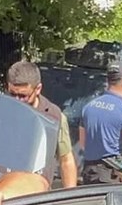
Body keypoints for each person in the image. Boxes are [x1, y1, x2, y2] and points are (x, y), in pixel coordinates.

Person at [6, 60, 78, 188]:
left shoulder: (54, 116)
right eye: (12, 94)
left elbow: (66, 159)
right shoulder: (0, 111)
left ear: (38, 89)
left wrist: (71, 200)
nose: (17, 101)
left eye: (23, 96)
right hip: (3, 194)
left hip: (37, 197)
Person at [79, 61, 122, 184]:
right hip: (114, 176)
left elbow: (82, 143)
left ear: (108, 80)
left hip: (89, 172)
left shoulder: (88, 107)